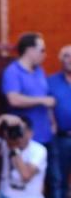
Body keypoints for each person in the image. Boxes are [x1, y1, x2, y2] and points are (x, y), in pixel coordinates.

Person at [2, 33, 55, 145]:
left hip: (46, 135)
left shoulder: (39, 71)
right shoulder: (13, 71)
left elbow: (46, 97)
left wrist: (53, 123)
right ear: (30, 50)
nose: (44, 54)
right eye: (42, 50)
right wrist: (41, 100)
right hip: (26, 141)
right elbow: (13, 100)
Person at [0, 114, 47, 198]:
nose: (17, 133)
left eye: (20, 130)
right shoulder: (5, 144)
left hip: (29, 196)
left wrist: (14, 148)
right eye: (14, 130)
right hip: (5, 195)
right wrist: (1, 119)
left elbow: (26, 176)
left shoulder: (39, 150)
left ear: (30, 133)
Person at [47, 45, 71, 198]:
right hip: (62, 138)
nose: (70, 59)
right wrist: (52, 123)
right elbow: (47, 106)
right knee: (58, 180)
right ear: (60, 59)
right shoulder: (51, 81)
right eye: (67, 56)